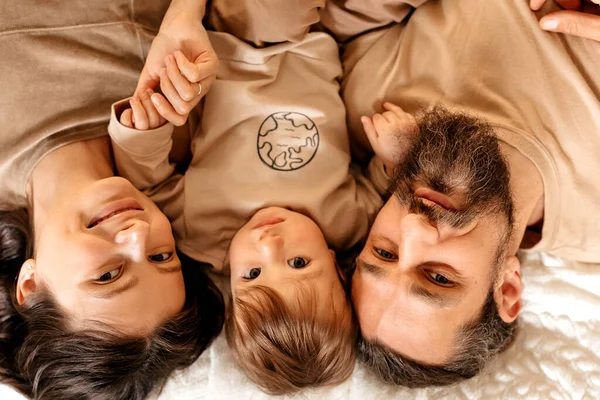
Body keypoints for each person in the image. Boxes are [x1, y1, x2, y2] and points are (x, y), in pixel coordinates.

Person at [106, 0, 396, 394]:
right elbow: (384, 185)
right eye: (298, 262)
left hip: (240, 45)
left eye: (253, 275)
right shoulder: (348, 225)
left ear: (231, 291)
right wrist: (393, 154)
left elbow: (150, 186)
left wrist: (144, 132)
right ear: (336, 266)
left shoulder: (202, 235)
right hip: (331, 43)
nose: (268, 244)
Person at [319, 0, 600, 387]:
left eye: (384, 252)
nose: (415, 226)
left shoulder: (372, 108)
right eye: (438, 276)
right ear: (507, 287)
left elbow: (342, 19)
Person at [0, 1, 224, 399]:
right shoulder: (179, 116)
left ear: (30, 285)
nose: (139, 235)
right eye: (162, 258)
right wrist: (184, 14)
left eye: (107, 276)